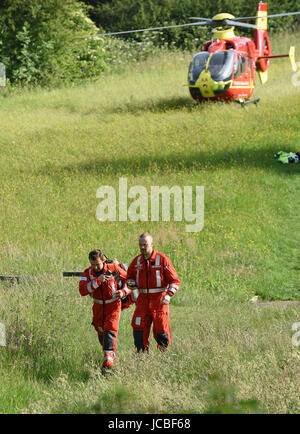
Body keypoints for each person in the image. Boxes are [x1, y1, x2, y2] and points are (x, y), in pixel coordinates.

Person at [127, 233, 180, 354]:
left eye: (145, 245)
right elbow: (128, 278)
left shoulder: (162, 259)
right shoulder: (137, 261)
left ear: (152, 244)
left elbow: (175, 281)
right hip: (142, 302)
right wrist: (131, 284)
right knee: (139, 332)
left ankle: (164, 358)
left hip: (159, 301)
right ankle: (141, 359)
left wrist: (168, 295)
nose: (142, 248)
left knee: (162, 333)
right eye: (140, 245)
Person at [79, 249, 131, 373]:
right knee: (102, 334)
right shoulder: (88, 273)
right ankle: (110, 356)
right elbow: (82, 290)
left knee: (110, 330)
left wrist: (123, 292)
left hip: (113, 306)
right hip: (97, 308)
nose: (95, 267)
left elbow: (131, 282)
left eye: (97, 264)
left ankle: (108, 362)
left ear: (103, 260)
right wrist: (98, 281)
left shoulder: (114, 269)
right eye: (93, 264)